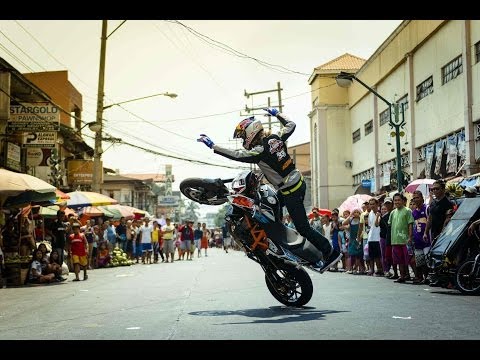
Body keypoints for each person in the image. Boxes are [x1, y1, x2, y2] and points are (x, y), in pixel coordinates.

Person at [197, 107, 341, 272]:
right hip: (296, 183)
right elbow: (291, 124)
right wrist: (277, 114)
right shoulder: (276, 137)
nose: (243, 140)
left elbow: (237, 155)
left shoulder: (259, 151)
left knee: (303, 228)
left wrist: (213, 146)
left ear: (251, 132)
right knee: (271, 208)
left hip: (291, 191)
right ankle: (280, 242)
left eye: (243, 136)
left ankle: (330, 252)